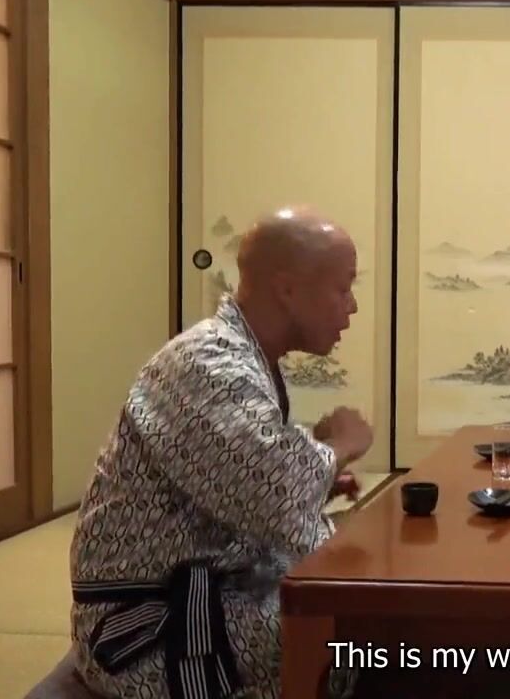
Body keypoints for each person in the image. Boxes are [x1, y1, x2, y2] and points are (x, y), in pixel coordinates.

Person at [68, 208, 374, 699]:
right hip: (152, 627)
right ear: (288, 289)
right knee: (359, 626)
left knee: (365, 586)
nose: (352, 306)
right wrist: (341, 445)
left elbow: (251, 483)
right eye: (343, 288)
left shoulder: (242, 354)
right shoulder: (207, 362)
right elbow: (276, 496)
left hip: (216, 588)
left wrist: (317, 473)